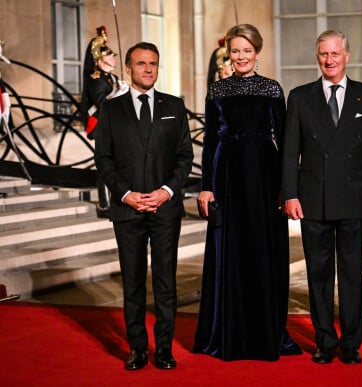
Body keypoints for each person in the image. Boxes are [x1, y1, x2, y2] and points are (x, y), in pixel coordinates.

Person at [193, 24, 301, 361]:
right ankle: (228, 333)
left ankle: (266, 330)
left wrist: (287, 189)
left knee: (262, 250)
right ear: (229, 53)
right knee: (230, 251)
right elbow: (210, 140)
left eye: (247, 50)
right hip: (227, 176)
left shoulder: (271, 89)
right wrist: (206, 187)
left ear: (257, 52)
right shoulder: (217, 90)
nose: (241, 56)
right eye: (235, 51)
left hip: (264, 176)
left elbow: (284, 143)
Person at [282, 30, 362, 365]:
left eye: (335, 54)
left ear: (347, 55)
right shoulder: (300, 97)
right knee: (319, 275)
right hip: (313, 201)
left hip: (355, 199)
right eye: (324, 54)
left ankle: (352, 342)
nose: (329, 60)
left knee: (353, 274)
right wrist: (290, 195)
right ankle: (326, 340)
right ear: (317, 57)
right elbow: (289, 152)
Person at [94, 42, 193, 371]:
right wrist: (126, 194)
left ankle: (163, 348)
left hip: (165, 210)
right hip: (128, 210)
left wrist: (166, 191)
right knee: (133, 283)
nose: (148, 69)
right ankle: (138, 348)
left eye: (153, 63)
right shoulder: (110, 110)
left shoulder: (175, 107)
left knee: (166, 283)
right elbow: (104, 160)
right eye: (141, 64)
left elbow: (184, 159)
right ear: (128, 69)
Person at [79, 26, 129, 218]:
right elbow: (101, 105)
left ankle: (116, 199)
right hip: (102, 126)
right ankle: (104, 203)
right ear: (100, 59)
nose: (114, 58)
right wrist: (118, 92)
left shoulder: (112, 77)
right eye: (110, 56)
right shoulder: (96, 79)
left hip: (116, 126)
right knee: (106, 164)